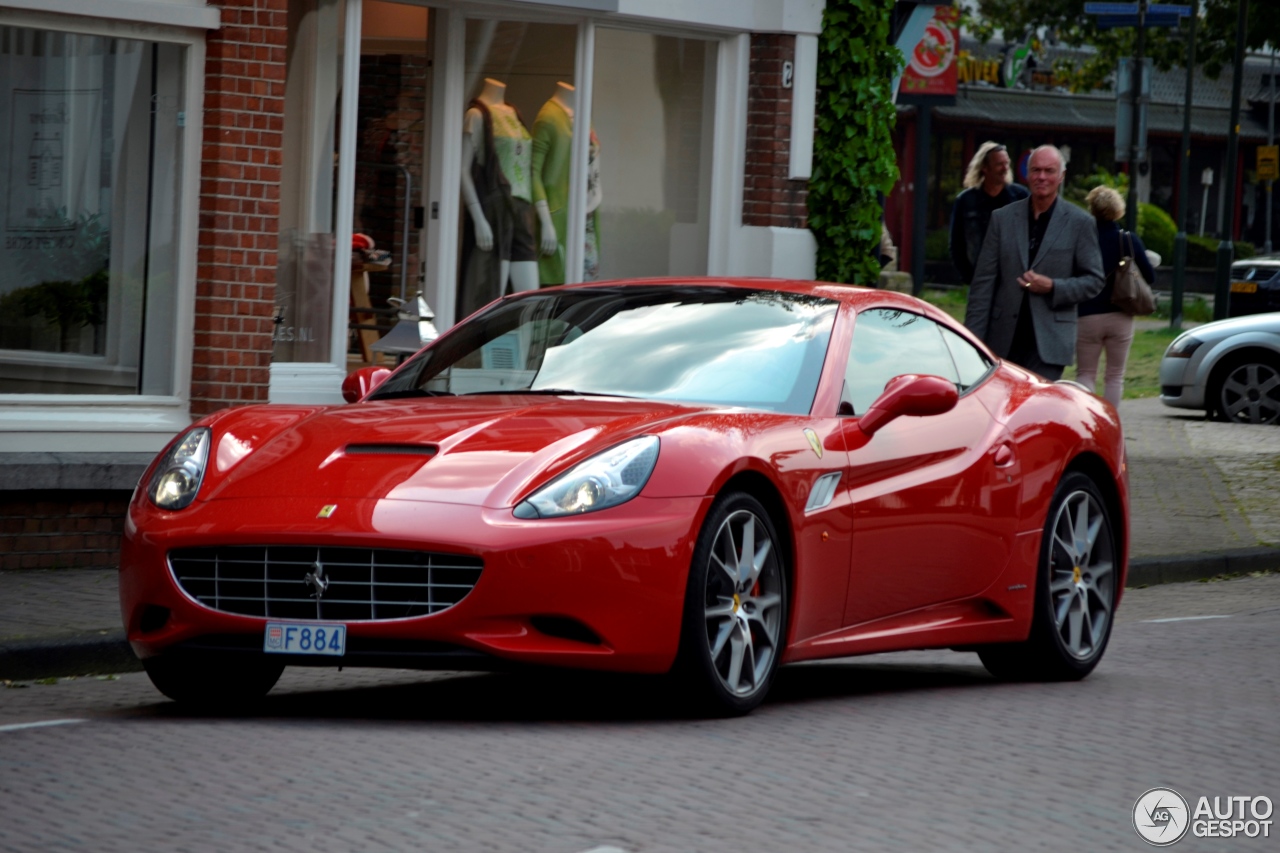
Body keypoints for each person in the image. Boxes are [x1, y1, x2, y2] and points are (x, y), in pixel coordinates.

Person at [963, 145, 1105, 381]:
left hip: (1050, 342)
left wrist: (1053, 286)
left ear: (1061, 176)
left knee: (1034, 409)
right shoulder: (1002, 219)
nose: (1041, 177)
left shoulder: (1080, 223)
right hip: (1002, 340)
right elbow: (982, 285)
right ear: (1027, 174)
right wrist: (971, 342)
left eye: (1049, 171)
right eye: (1036, 170)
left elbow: (1094, 280)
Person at [1075, 186, 1156, 407]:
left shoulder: (1081, 239)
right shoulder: (1128, 240)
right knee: (1114, 376)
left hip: (1086, 315)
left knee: (1085, 374)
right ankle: (1111, 423)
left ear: (1092, 209)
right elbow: (1150, 276)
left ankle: (1086, 421)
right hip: (1121, 315)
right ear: (1118, 210)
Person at [949, 142, 1029, 284]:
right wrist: (969, 277)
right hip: (980, 280)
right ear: (985, 168)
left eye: (1007, 163)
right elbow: (957, 245)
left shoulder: (1021, 197)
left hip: (1014, 282)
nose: (1005, 168)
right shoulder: (965, 201)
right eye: (999, 164)